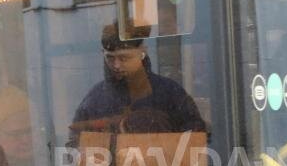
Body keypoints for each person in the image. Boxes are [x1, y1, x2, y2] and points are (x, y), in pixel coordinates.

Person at [69, 22, 207, 143]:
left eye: (124, 58)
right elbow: (74, 146)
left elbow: (196, 135)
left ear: (142, 53)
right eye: (110, 58)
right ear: (102, 53)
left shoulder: (169, 92)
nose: (116, 65)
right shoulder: (94, 100)